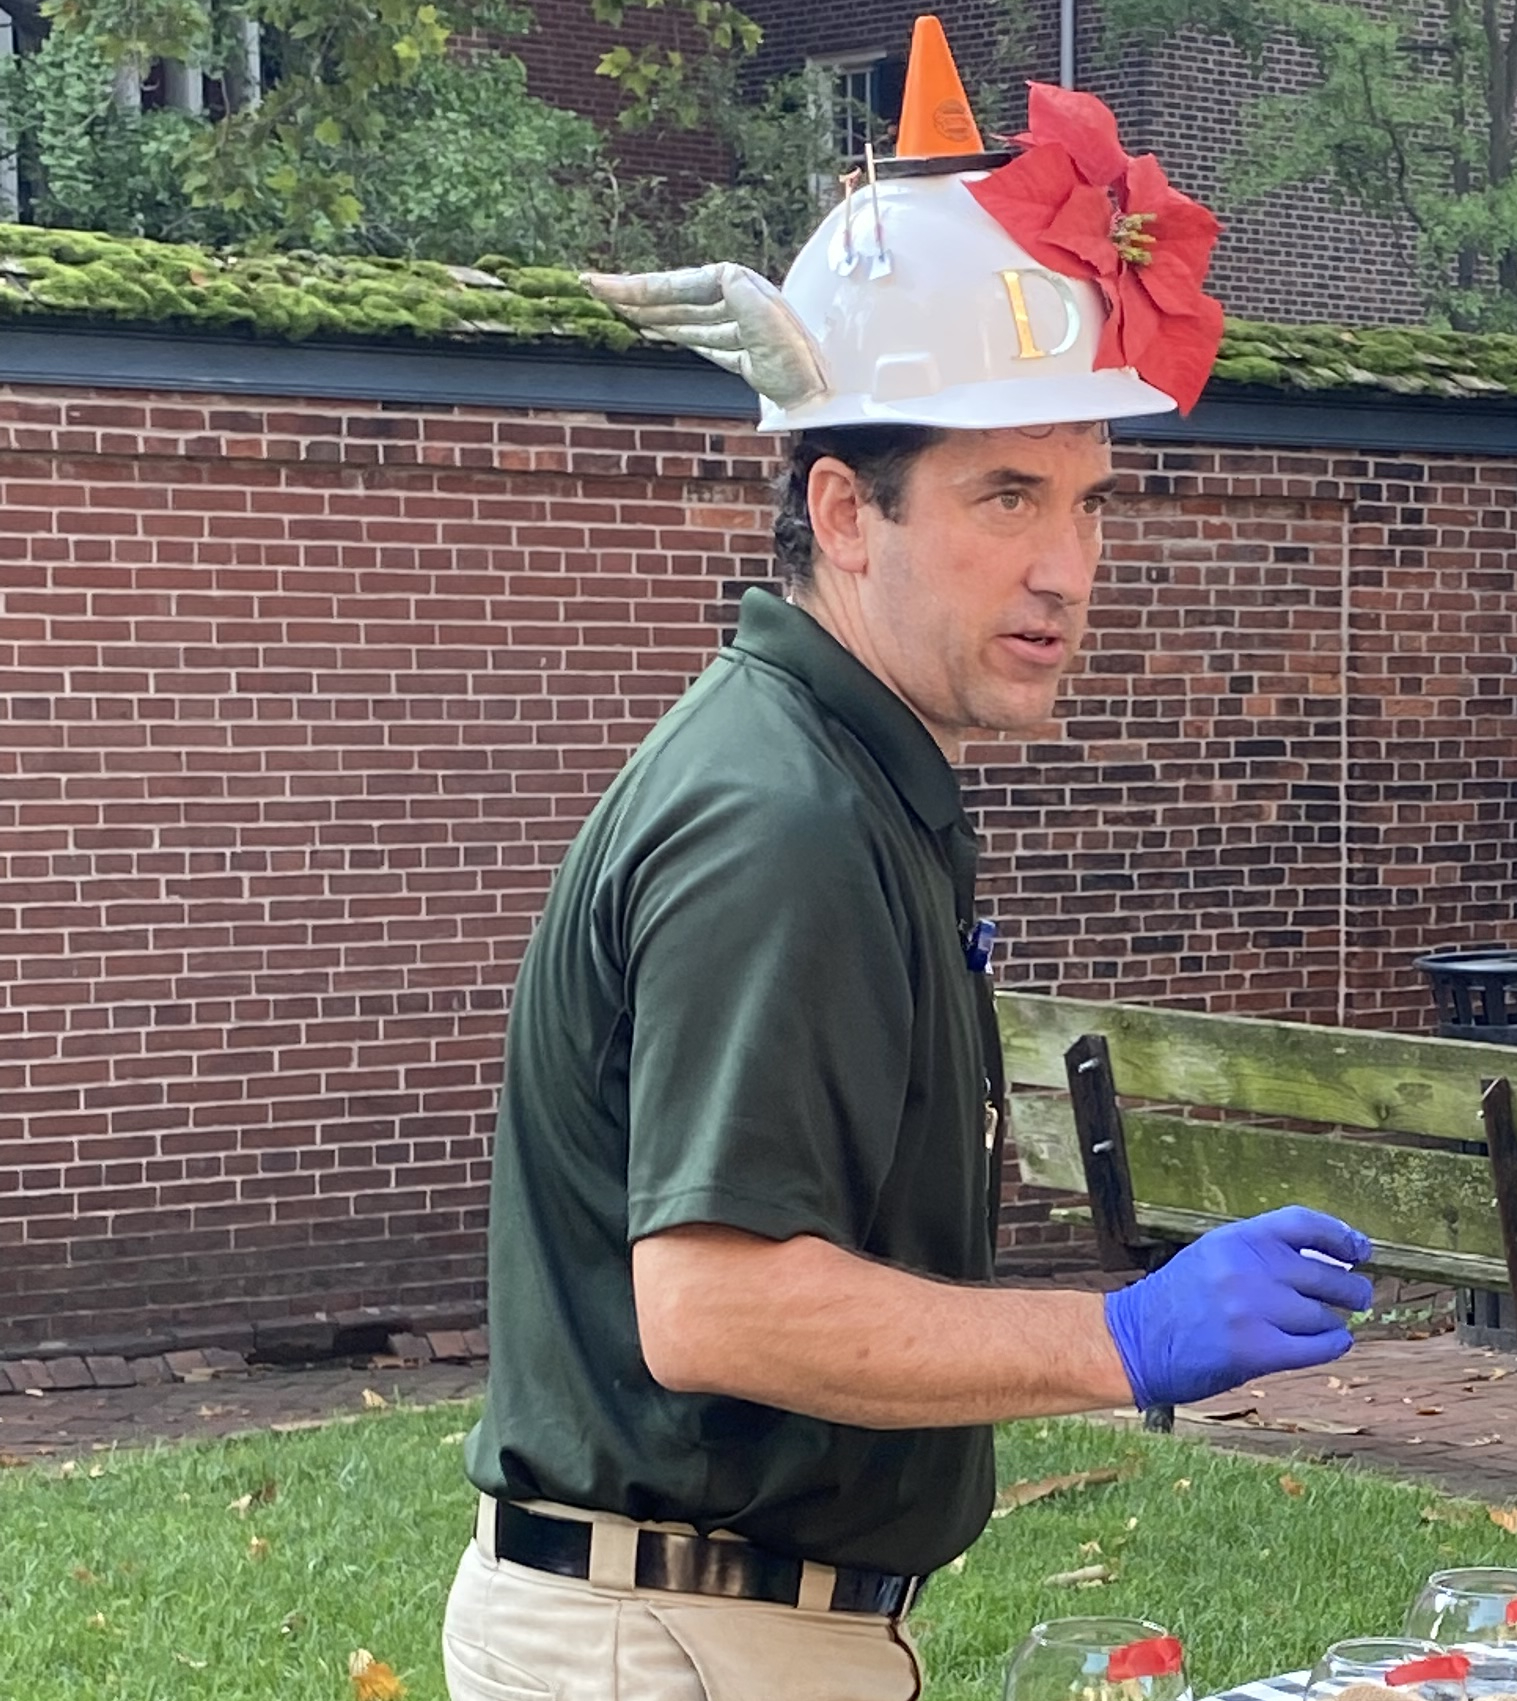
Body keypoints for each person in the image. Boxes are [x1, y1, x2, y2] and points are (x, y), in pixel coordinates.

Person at [444, 20, 1369, 1698]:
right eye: (1005, 495)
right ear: (844, 508)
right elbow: (715, 1307)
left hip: (722, 1625)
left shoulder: (847, 774)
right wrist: (1122, 1336)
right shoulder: (778, 817)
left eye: (1088, 501)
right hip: (679, 1639)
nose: (1069, 566)